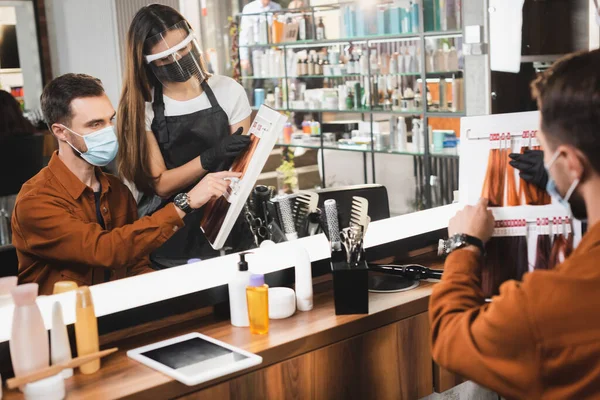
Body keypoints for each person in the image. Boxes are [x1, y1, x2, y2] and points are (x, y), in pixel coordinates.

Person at [429, 49, 600, 399]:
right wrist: (559, 184)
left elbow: (450, 338)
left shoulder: (550, 305)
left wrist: (463, 245)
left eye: (548, 151)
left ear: (571, 162)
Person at [11, 73, 239, 295]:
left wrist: (169, 291)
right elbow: (105, 250)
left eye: (110, 119)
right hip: (62, 327)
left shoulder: (116, 190)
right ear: (61, 132)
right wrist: (185, 202)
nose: (108, 131)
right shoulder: (36, 200)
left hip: (115, 317)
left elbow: (135, 262)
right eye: (94, 124)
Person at [117, 5, 253, 266]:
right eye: (166, 58)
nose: (178, 59)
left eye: (183, 48)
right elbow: (161, 183)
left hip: (227, 221)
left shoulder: (228, 90)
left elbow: (241, 169)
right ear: (146, 61)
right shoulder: (141, 106)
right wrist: (210, 158)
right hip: (171, 230)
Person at [239, 0, 282, 70]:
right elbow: (244, 34)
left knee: (276, 75)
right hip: (256, 51)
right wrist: (244, 58)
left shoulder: (276, 7)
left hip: (273, 50)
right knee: (258, 78)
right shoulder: (249, 8)